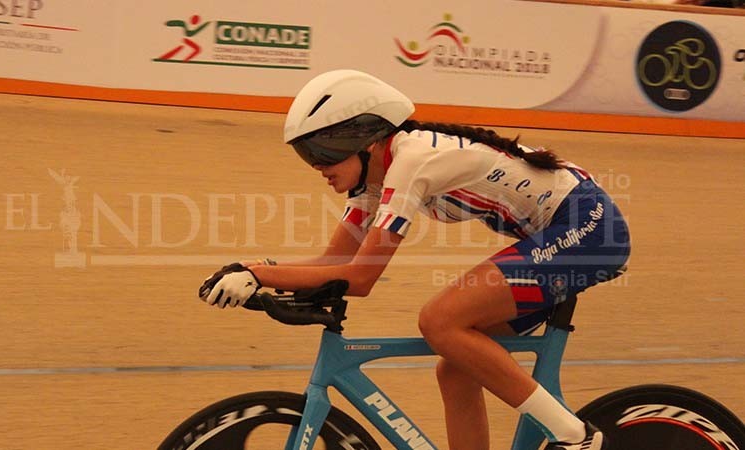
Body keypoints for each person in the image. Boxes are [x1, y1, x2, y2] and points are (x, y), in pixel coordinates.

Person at [198, 69, 630, 450]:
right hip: (557, 233)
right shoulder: (375, 177)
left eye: (320, 152)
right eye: (306, 155)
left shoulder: (411, 163)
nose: (316, 166)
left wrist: (259, 274)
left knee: (440, 321)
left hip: (588, 227)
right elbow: (334, 259)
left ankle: (577, 439)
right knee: (457, 369)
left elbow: (362, 277)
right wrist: (255, 272)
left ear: (360, 138)